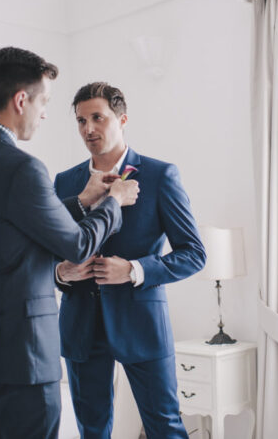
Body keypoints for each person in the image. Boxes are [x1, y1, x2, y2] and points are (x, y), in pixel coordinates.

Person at [0, 48, 140, 439]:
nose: (45, 113)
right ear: (21, 100)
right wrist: (113, 203)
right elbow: (77, 246)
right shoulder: (22, 166)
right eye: (44, 101)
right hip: (22, 360)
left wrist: (80, 201)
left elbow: (7, 226)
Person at [54, 82, 206, 439]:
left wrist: (136, 270)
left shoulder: (159, 176)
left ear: (122, 119)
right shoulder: (65, 183)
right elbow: (43, 253)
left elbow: (194, 254)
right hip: (81, 327)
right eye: (80, 121)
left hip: (142, 324)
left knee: (165, 427)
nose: (88, 128)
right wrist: (62, 273)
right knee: (92, 431)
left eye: (97, 117)